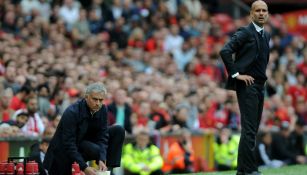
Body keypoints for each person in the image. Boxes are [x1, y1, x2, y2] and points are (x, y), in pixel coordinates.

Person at [219, 1, 270, 174]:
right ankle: (250, 170)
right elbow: (225, 51)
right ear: (251, 14)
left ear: (268, 14)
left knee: (252, 130)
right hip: (247, 85)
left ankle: (242, 170)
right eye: (258, 10)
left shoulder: (266, 35)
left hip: (259, 85)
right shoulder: (245, 32)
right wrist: (236, 75)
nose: (261, 13)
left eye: (264, 10)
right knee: (249, 129)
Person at [43, 82, 125, 175]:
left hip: (86, 142)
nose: (98, 103)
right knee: (94, 149)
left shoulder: (103, 109)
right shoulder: (72, 112)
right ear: (86, 97)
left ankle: (108, 170)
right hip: (65, 150)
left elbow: (103, 135)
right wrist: (84, 167)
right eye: (95, 99)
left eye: (101, 100)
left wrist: (102, 159)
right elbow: (69, 143)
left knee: (118, 130)